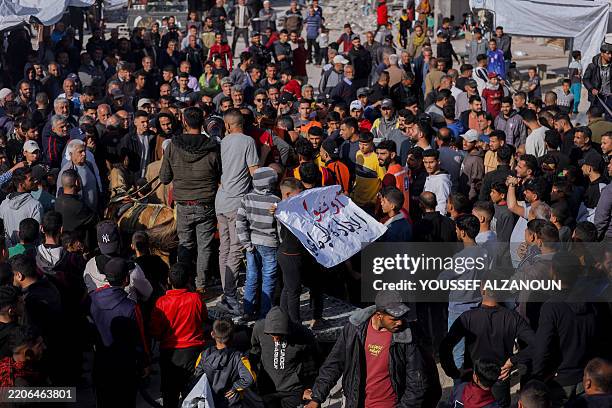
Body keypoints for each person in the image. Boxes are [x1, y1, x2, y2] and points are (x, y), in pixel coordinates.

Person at [303, 291, 441, 408]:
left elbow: (417, 383)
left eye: (401, 317)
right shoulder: (354, 329)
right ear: (379, 315)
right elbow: (334, 364)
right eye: (394, 318)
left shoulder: (407, 336)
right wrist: (316, 398)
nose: (399, 322)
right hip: (357, 403)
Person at [160, 107, 221, 294]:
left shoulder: (172, 145)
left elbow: (164, 178)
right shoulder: (213, 147)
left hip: (184, 205)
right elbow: (220, 173)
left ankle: (184, 284)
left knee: (185, 244)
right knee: (204, 246)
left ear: (184, 122)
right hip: (206, 204)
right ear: (202, 123)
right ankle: (201, 285)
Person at [441, 287, 535, 407]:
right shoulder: (513, 318)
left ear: (482, 290)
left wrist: (454, 372)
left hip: (475, 381)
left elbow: (445, 346)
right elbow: (537, 344)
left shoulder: (467, 317)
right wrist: (513, 361)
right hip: (500, 378)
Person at [215, 109, 259, 315]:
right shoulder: (248, 141)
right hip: (236, 203)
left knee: (224, 248)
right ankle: (231, 297)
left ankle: (227, 294)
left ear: (228, 125)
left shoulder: (223, 142)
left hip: (221, 201)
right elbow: (254, 172)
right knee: (235, 248)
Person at [89, 257, 149, 407]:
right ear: (126, 279)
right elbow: (140, 339)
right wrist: (145, 362)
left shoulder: (92, 299)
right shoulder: (131, 307)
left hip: (101, 364)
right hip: (125, 369)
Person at [150, 262, 207, 408]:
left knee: (170, 396)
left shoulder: (161, 303)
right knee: (193, 395)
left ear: (169, 281)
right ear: (188, 280)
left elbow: (155, 332)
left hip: (169, 355)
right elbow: (203, 319)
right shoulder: (196, 299)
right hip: (193, 353)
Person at [250, 307, 318, 407]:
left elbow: (314, 363)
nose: (275, 340)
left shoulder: (303, 334)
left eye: (279, 335)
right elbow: (254, 352)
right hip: (267, 388)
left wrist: (309, 387)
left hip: (293, 390)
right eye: (271, 335)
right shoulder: (259, 328)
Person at [235, 167, 280, 320]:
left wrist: (246, 243)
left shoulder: (246, 199)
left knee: (252, 276)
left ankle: (248, 310)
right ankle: (265, 312)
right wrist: (280, 242)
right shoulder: (276, 201)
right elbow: (279, 226)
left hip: (252, 244)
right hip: (270, 244)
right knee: (268, 277)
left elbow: (240, 222)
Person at [191, 319, 255, 408]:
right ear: (233, 336)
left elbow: (197, 376)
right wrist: (235, 387)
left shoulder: (203, 355)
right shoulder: (239, 357)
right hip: (231, 401)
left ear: (212, 334)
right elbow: (249, 378)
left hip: (209, 400)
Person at [0, 167, 42, 247]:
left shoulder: (4, 204)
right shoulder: (35, 205)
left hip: (10, 252)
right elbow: (37, 233)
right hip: (29, 252)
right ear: (21, 185)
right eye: (31, 179)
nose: (35, 181)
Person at [583, 42, 612, 111]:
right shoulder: (592, 66)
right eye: (608, 53)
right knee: (596, 118)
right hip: (597, 97)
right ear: (602, 54)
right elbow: (585, 79)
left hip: (610, 97)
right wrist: (592, 89)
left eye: (611, 53)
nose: (610, 56)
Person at [423, 149, 452, 214]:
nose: (428, 166)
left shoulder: (442, 181)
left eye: (431, 162)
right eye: (425, 162)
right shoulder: (431, 176)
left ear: (438, 161)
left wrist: (437, 222)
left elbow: (442, 204)